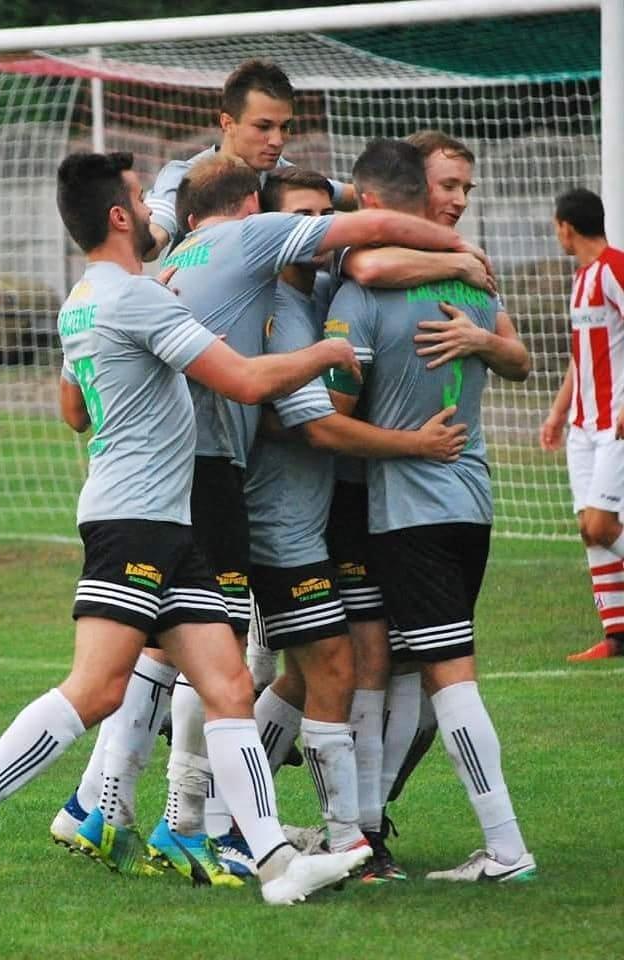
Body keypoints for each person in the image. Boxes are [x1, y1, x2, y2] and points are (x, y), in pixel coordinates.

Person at [0, 151, 372, 908]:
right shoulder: (138, 300)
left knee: (228, 686)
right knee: (95, 689)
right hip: (133, 521)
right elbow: (246, 381)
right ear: (121, 216)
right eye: (141, 197)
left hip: (166, 518)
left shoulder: (86, 298)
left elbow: (74, 411)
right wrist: (322, 352)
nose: (158, 211)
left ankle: (275, 866)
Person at [244, 166, 468, 883]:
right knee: (332, 667)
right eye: (299, 217)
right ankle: (336, 834)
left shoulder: (322, 283)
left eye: (323, 214)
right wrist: (415, 444)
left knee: (319, 673)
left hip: (336, 510)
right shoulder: (279, 304)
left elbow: (368, 254)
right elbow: (315, 428)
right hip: (287, 519)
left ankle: (252, 822)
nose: (315, 229)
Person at [325, 137, 535, 883]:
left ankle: (505, 848)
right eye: (449, 187)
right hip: (472, 504)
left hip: (410, 513)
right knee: (410, 674)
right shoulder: (474, 285)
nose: (459, 200)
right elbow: (517, 357)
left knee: (446, 680)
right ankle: (366, 831)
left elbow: (332, 418)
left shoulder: (361, 296)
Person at [144, 58, 356, 261]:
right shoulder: (185, 177)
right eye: (263, 127)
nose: (277, 140)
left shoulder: (284, 177)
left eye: (284, 127)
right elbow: (153, 238)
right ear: (227, 123)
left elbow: (355, 195)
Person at [541, 188, 624, 661]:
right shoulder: (581, 279)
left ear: (566, 227)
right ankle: (617, 634)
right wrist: (558, 412)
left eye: (556, 227)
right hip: (583, 425)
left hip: (615, 423)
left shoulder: (614, 268)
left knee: (602, 523)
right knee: (588, 530)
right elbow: (582, 356)